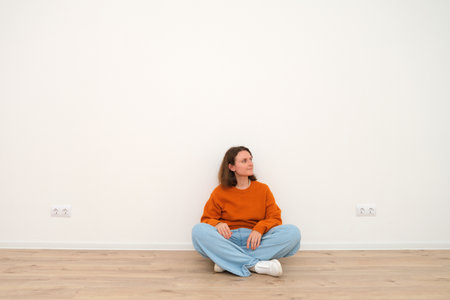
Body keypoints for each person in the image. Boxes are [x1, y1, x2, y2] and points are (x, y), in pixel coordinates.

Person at [192, 146, 301, 277]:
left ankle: (227, 260)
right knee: (198, 231)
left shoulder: (263, 189)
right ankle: (256, 265)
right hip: (228, 239)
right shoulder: (220, 191)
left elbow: (275, 218)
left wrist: (259, 228)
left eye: (250, 159)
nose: (250, 163)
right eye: (244, 161)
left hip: (256, 240)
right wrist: (217, 224)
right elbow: (206, 219)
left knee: (292, 232)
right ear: (232, 167)